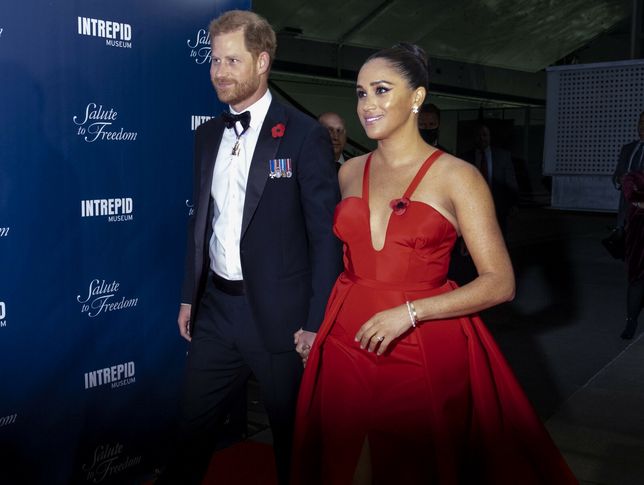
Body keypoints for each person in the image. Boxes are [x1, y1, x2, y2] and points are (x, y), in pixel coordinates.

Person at [291, 43, 577, 484]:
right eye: (361, 93)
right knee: (345, 463)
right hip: (346, 337)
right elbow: (331, 257)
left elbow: (500, 283)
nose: (368, 104)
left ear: (417, 98)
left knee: (410, 466)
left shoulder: (457, 176)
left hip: (419, 344)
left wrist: (410, 312)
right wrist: (316, 327)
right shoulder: (350, 171)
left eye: (382, 90)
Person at [157, 10, 342, 485]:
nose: (219, 71)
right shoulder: (207, 135)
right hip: (217, 311)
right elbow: (203, 223)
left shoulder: (304, 135)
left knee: (293, 446)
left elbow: (325, 237)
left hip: (283, 321)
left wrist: (316, 322)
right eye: (215, 60)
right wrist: (187, 294)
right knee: (189, 433)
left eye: (232, 60)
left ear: (262, 62)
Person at [462, 123, 519, 236]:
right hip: (473, 208)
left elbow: (510, 181)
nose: (482, 138)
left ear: (489, 137)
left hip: (498, 207)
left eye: (485, 135)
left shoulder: (503, 156)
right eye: (478, 135)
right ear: (474, 137)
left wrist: (513, 204)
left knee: (499, 238)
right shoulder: (465, 158)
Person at [618, 169, 644, 339]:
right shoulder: (634, 176)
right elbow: (632, 196)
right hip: (640, 236)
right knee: (637, 279)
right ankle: (631, 321)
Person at [612, 112, 644, 232]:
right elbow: (616, 174)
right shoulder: (627, 148)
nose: (642, 126)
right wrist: (619, 180)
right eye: (640, 122)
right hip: (625, 213)